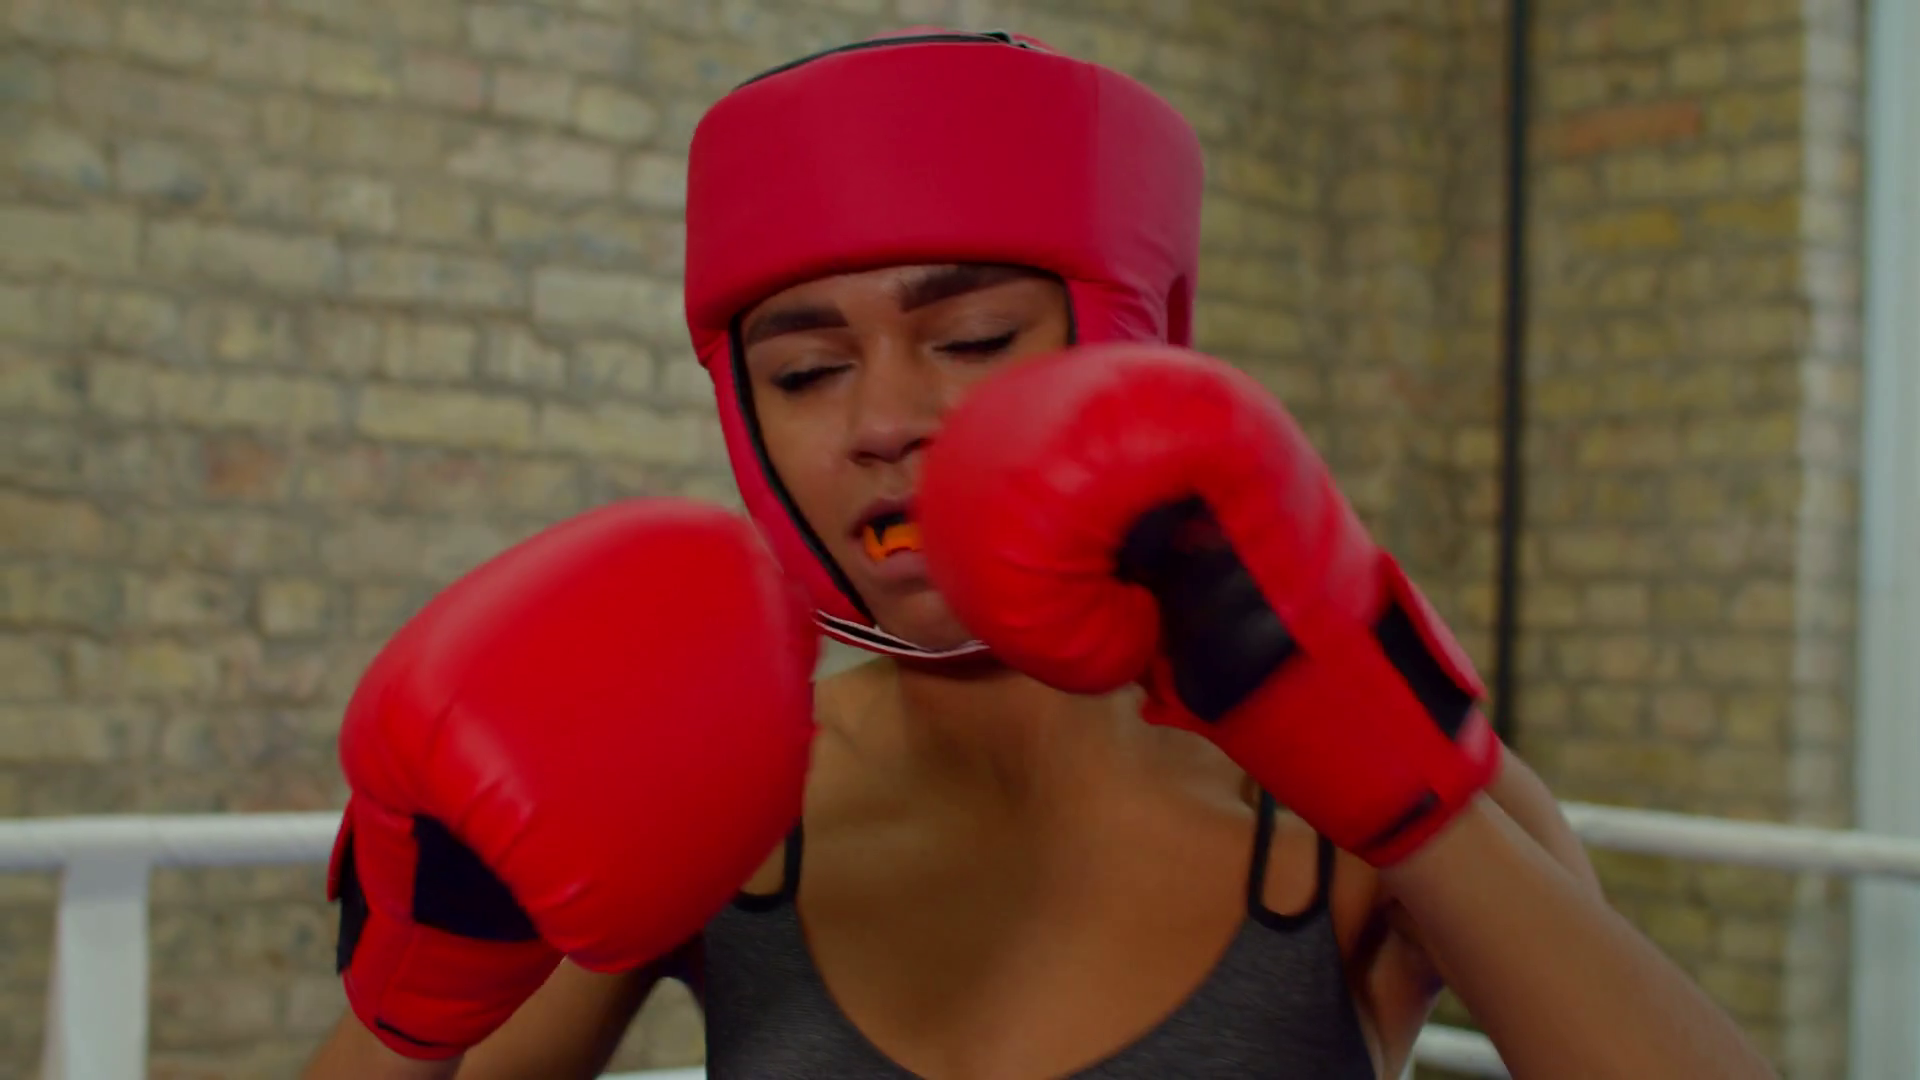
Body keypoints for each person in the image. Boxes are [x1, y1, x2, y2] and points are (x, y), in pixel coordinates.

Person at [303, 29, 1780, 1080]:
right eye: (805, 372)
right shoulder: (726, 793)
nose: (885, 419)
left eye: (971, 339)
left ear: (1125, 347)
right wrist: (414, 1002)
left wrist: (1410, 799)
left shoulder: (1327, 793)